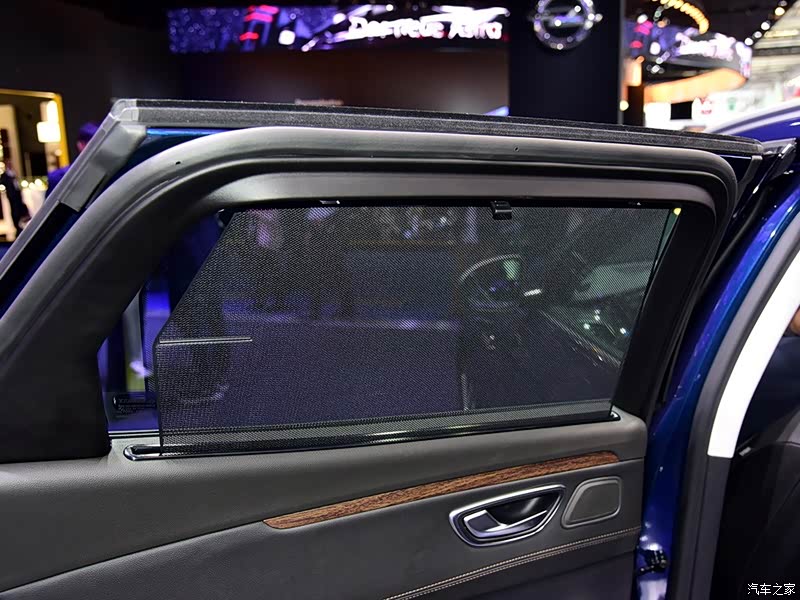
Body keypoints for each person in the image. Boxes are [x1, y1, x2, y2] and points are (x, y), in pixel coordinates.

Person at [45, 122, 99, 198]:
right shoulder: (57, 178)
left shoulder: (56, 177)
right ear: (80, 145)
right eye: (92, 144)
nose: (96, 148)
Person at [0, 159, 30, 235]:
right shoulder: (5, 175)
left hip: (17, 196)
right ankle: (16, 226)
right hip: (11, 197)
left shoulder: (13, 173)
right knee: (14, 211)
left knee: (19, 210)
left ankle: (20, 225)